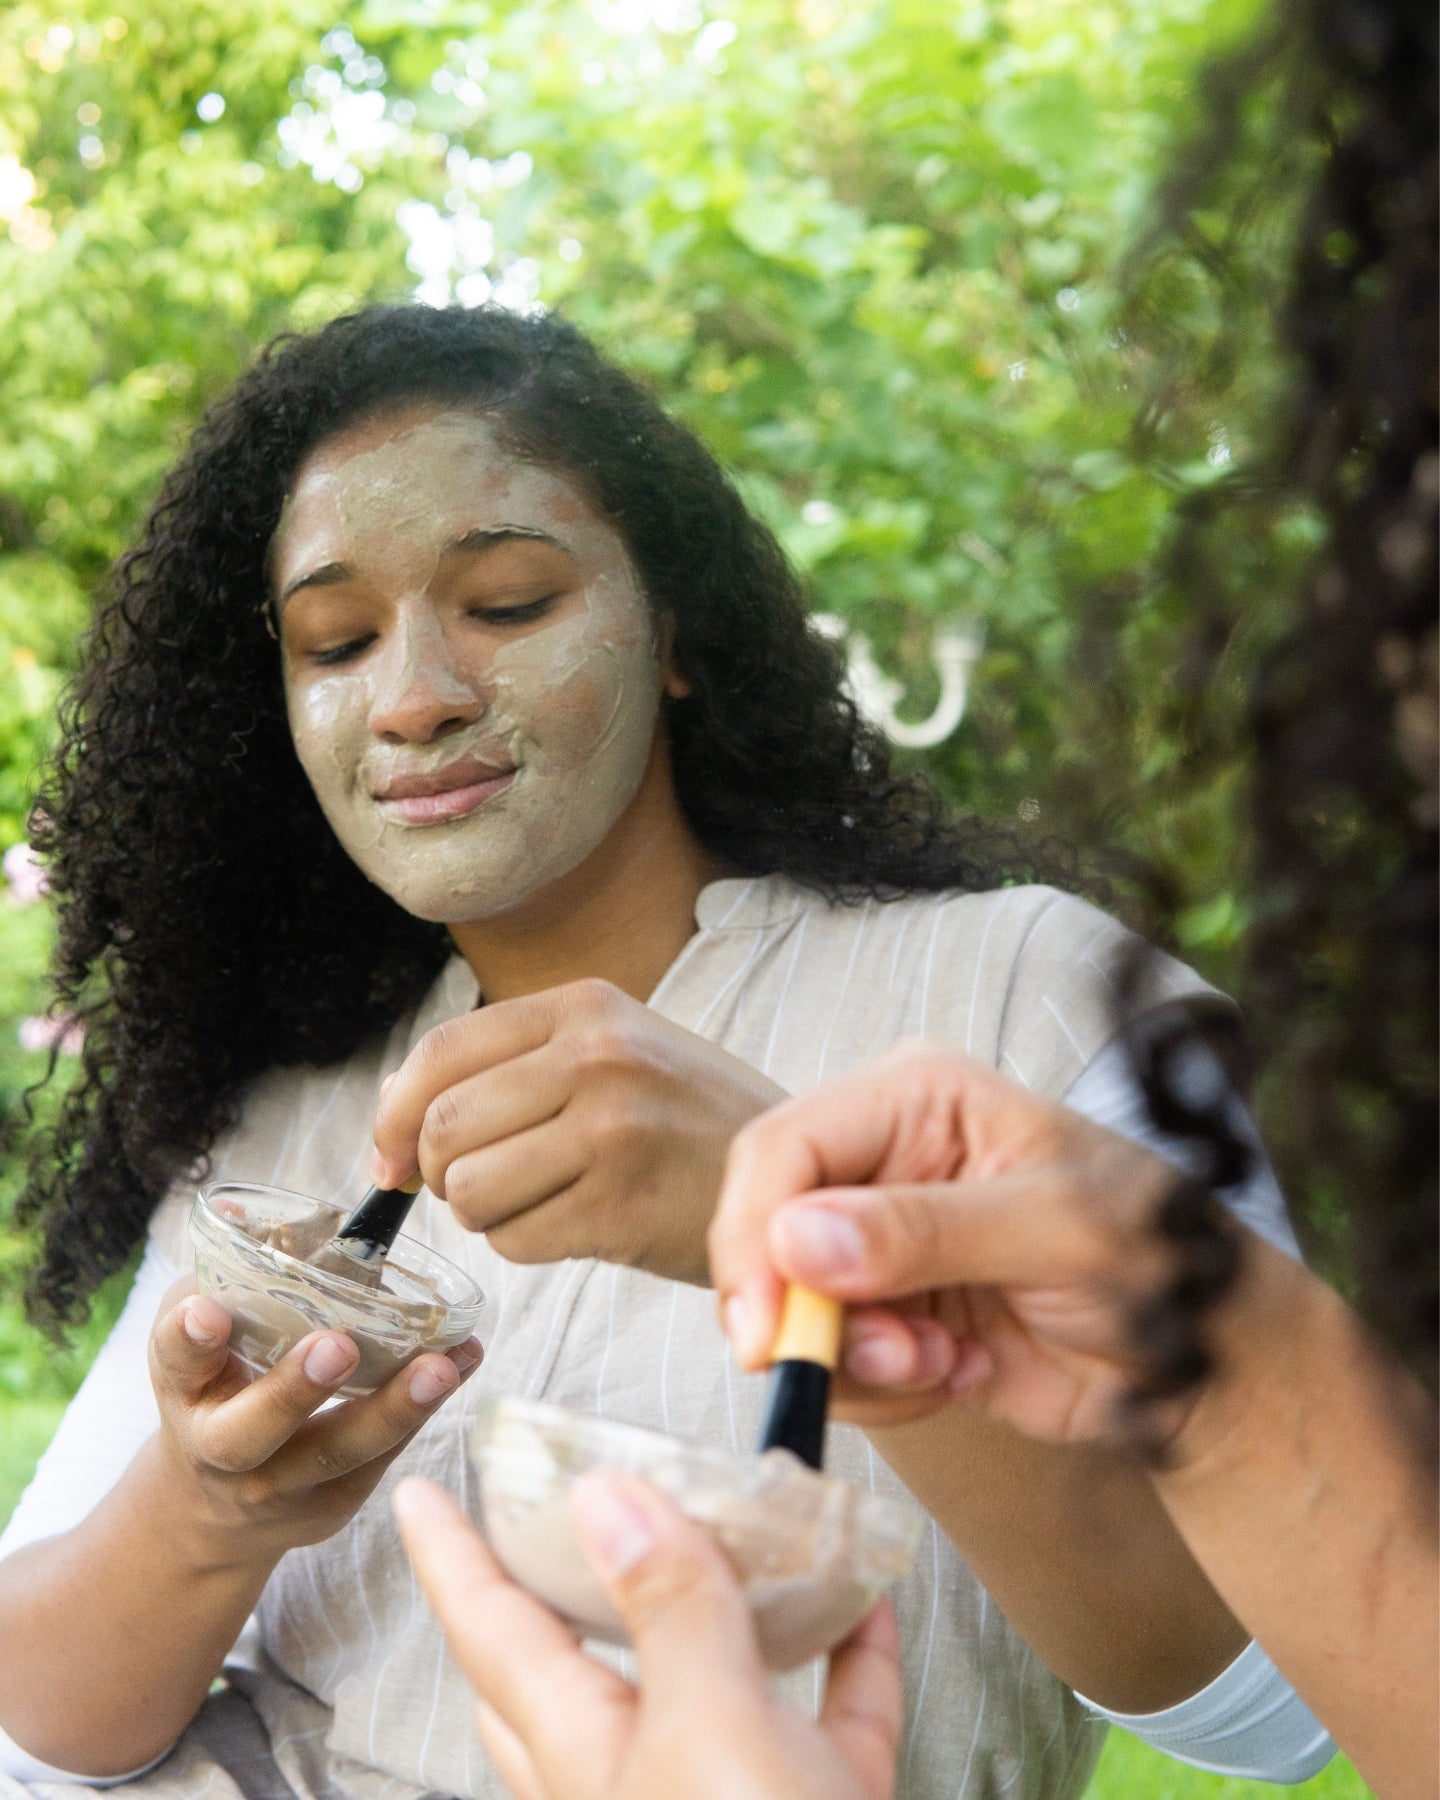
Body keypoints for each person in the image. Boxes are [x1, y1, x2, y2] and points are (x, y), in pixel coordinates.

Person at [0, 304, 1327, 1800]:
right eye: (337, 639)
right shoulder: (290, 1117)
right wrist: (203, 1513)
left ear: (677, 634)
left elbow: (1276, 1701)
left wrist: (798, 1234)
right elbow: (28, 1738)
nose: (415, 694)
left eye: (505, 601)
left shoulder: (1037, 992)